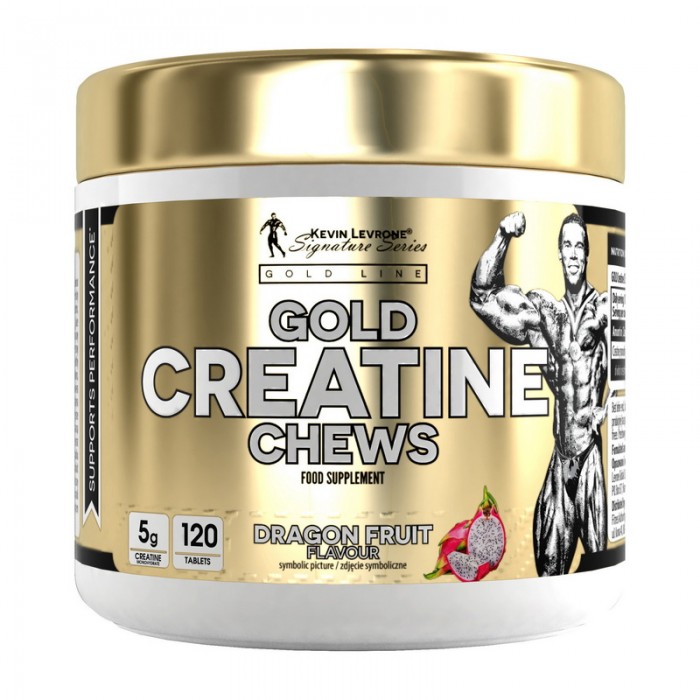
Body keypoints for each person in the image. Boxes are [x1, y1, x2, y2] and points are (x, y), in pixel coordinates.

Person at [470, 211, 609, 576]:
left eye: (580, 246)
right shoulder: (547, 316)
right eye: (568, 245)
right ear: (559, 253)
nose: (574, 253)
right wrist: (502, 236)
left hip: (590, 456)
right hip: (560, 458)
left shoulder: (605, 309)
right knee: (547, 573)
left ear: (588, 253)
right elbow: (482, 298)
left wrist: (607, 408)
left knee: (600, 565)